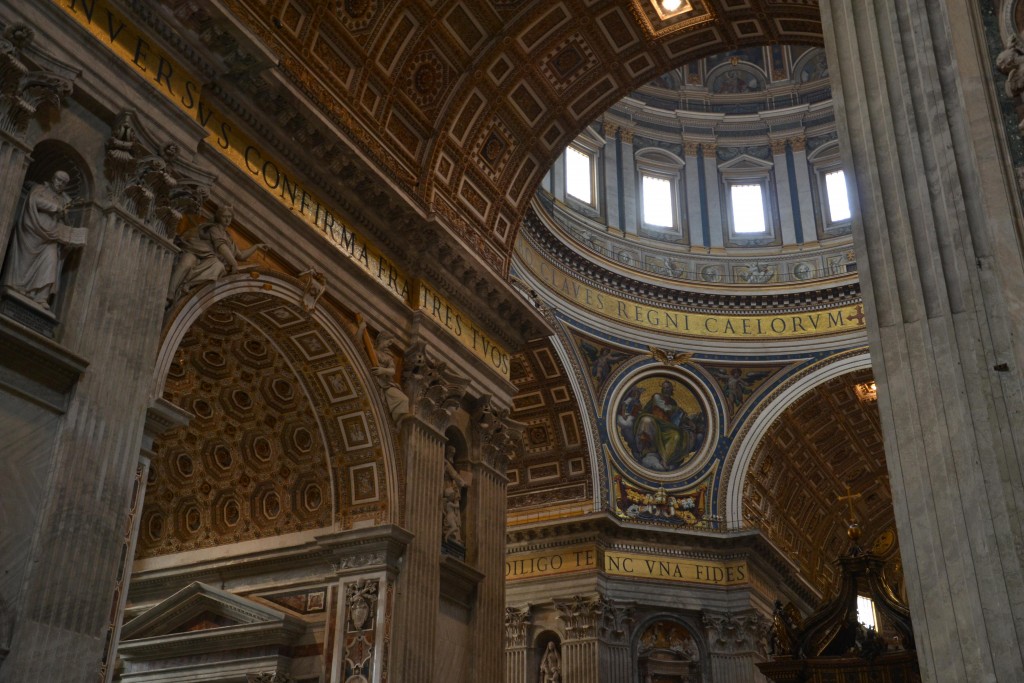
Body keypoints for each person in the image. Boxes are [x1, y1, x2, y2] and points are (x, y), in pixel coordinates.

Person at [3, 170, 86, 310]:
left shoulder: (64, 199)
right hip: (31, 233)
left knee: (51, 261)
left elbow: (65, 221)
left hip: (51, 238)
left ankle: (41, 297)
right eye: (59, 180)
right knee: (25, 261)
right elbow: (34, 201)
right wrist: (56, 207)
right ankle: (19, 288)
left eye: (64, 183)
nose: (61, 184)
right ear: (53, 178)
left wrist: (65, 215)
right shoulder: (40, 189)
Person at [166, 205, 267, 303]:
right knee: (186, 263)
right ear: (219, 217)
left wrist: (256, 247)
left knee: (219, 266)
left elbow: (240, 255)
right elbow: (221, 247)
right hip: (198, 254)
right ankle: (170, 293)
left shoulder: (229, 238)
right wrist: (233, 263)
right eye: (225, 216)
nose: (227, 219)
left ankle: (188, 284)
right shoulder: (214, 228)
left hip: (211, 260)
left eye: (229, 217)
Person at [633, 380, 702, 471]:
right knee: (647, 421)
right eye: (664, 388)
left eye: (668, 388)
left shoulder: (673, 402)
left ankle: (665, 459)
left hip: (667, 426)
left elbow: (677, 418)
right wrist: (677, 409)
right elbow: (665, 408)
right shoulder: (657, 396)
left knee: (676, 435)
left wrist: (689, 422)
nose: (666, 389)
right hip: (655, 421)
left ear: (672, 389)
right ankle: (647, 450)